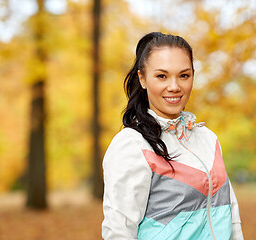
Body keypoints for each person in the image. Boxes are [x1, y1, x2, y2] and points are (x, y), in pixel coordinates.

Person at [102, 32, 244, 240]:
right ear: (142, 79)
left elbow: (231, 215)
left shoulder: (207, 139)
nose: (174, 86)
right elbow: (119, 231)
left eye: (184, 75)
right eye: (162, 76)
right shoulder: (132, 145)